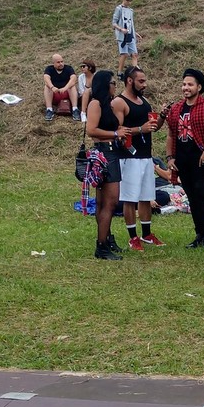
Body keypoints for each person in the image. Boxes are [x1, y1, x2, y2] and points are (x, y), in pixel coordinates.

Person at [165, 68, 204, 249]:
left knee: (202, 195)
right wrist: (170, 157)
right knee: (191, 196)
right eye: (183, 84)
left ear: (199, 87)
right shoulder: (176, 109)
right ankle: (199, 234)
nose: (185, 88)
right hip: (182, 159)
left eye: (190, 84)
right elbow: (171, 134)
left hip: (201, 159)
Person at [112, 66, 165, 249]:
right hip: (128, 157)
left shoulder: (144, 101)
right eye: (141, 81)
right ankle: (132, 236)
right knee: (130, 198)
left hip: (145, 155)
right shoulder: (119, 102)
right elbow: (118, 132)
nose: (145, 84)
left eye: (145, 80)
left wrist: (162, 117)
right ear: (129, 80)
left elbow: (152, 128)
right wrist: (140, 129)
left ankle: (147, 234)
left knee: (146, 196)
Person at [85, 70, 129, 260]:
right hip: (105, 154)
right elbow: (91, 130)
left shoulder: (107, 104)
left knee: (104, 203)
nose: (115, 86)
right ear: (104, 84)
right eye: (112, 83)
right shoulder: (95, 103)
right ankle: (101, 245)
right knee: (109, 202)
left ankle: (106, 239)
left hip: (110, 152)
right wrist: (115, 134)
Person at [43, 53, 80, 120]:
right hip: (54, 93)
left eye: (62, 61)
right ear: (53, 63)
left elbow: (73, 78)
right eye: (58, 62)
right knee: (47, 86)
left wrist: (65, 88)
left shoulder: (68, 68)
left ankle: (75, 109)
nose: (61, 64)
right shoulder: (49, 69)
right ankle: (49, 110)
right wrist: (52, 87)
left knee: (72, 86)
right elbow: (46, 78)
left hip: (67, 93)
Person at [112, 0, 139, 74]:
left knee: (134, 54)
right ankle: (119, 72)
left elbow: (131, 24)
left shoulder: (130, 10)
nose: (129, 2)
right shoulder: (119, 9)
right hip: (122, 35)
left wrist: (134, 33)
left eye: (130, 1)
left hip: (130, 34)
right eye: (127, 0)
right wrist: (121, 29)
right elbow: (114, 23)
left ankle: (135, 72)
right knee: (124, 54)